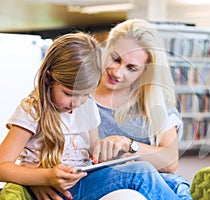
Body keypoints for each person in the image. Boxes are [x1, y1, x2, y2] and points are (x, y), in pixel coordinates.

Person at [0, 32, 182, 200]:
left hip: (86, 178)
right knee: (140, 173)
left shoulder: (87, 106)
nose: (77, 103)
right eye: (69, 94)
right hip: (63, 188)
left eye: (86, 94)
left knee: (164, 179)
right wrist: (45, 177)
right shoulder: (32, 111)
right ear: (48, 79)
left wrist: (107, 152)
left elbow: (93, 152)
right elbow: (2, 166)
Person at [93, 19, 192, 199]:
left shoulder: (154, 102)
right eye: (115, 59)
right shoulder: (76, 97)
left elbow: (170, 162)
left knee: (177, 186)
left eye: (131, 68)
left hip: (152, 189)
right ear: (106, 49)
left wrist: (129, 145)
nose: (117, 72)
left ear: (144, 72)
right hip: (104, 190)